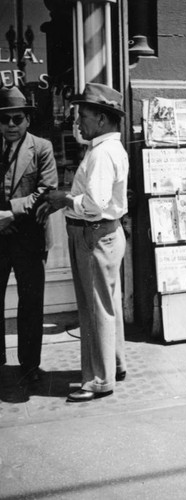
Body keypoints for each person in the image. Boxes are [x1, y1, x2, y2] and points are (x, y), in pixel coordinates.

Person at [39, 83, 128, 403]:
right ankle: (113, 364)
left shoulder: (103, 154)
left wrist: (64, 199)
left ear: (102, 119)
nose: (78, 122)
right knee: (108, 304)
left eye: (84, 116)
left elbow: (94, 203)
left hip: (93, 235)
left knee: (94, 309)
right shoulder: (107, 148)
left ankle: (99, 379)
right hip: (106, 234)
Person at [0, 86, 58, 383]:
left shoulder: (42, 147)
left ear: (27, 120)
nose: (11, 125)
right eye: (5, 119)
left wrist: (10, 212)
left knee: (31, 302)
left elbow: (46, 190)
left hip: (29, 237)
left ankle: (30, 365)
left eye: (17, 119)